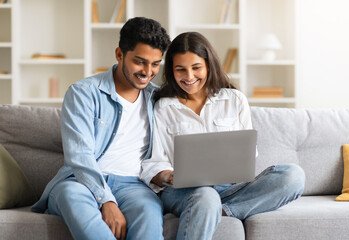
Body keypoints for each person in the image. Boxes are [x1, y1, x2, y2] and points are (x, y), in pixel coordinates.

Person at [140, 32, 305, 240]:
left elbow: (247, 154)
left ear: (209, 65)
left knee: (293, 175)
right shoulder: (164, 107)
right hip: (184, 191)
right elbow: (154, 161)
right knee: (206, 195)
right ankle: (209, 206)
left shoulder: (234, 99)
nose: (189, 77)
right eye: (180, 69)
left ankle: (220, 211)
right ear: (172, 72)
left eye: (196, 68)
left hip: (231, 188)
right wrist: (168, 175)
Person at [31, 17, 171, 240]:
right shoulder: (83, 93)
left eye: (155, 64)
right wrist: (106, 199)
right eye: (140, 62)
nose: (148, 71)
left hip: (134, 186)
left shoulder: (158, 98)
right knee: (71, 197)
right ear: (119, 54)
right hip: (79, 182)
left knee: (149, 213)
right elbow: (80, 156)